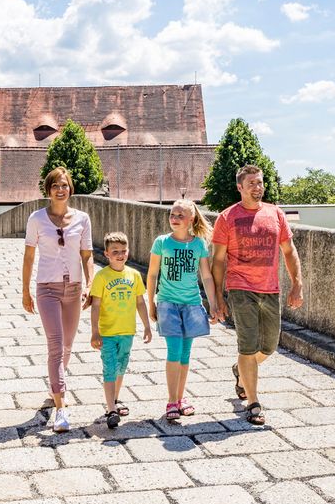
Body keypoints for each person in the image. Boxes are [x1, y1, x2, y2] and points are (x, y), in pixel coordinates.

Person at [211, 165, 304, 426]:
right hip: (240, 288)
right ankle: (253, 403)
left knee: (270, 346)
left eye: (260, 182)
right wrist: (218, 296)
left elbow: (289, 250)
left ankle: (240, 370)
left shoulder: (275, 213)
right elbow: (218, 260)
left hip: (270, 288)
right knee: (248, 345)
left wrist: (297, 283)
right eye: (251, 183)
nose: (257, 187)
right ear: (239, 187)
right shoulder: (227, 218)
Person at [22, 167, 94, 433]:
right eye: (55, 186)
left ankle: (55, 383)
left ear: (70, 188)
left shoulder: (82, 219)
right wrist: (25, 290)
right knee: (56, 345)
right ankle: (61, 408)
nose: (60, 190)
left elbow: (87, 255)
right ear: (48, 190)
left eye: (64, 185)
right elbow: (29, 256)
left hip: (74, 289)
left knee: (68, 346)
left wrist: (90, 283)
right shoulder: (37, 219)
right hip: (47, 289)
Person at [147, 200, 219, 421]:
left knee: (186, 354)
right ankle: (171, 401)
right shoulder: (162, 242)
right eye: (172, 214)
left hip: (191, 304)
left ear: (191, 220)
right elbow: (152, 274)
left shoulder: (198, 245)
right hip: (168, 304)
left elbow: (206, 276)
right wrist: (151, 302)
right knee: (174, 351)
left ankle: (180, 398)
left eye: (180, 215)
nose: (174, 218)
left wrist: (213, 303)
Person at [89, 232, 152, 429]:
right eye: (115, 251)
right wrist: (94, 331)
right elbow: (96, 306)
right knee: (109, 368)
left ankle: (115, 399)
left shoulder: (133, 275)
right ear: (106, 254)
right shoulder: (102, 276)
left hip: (127, 332)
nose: (120, 255)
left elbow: (140, 302)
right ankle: (111, 410)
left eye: (123, 251)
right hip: (107, 333)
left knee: (121, 366)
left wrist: (147, 326)